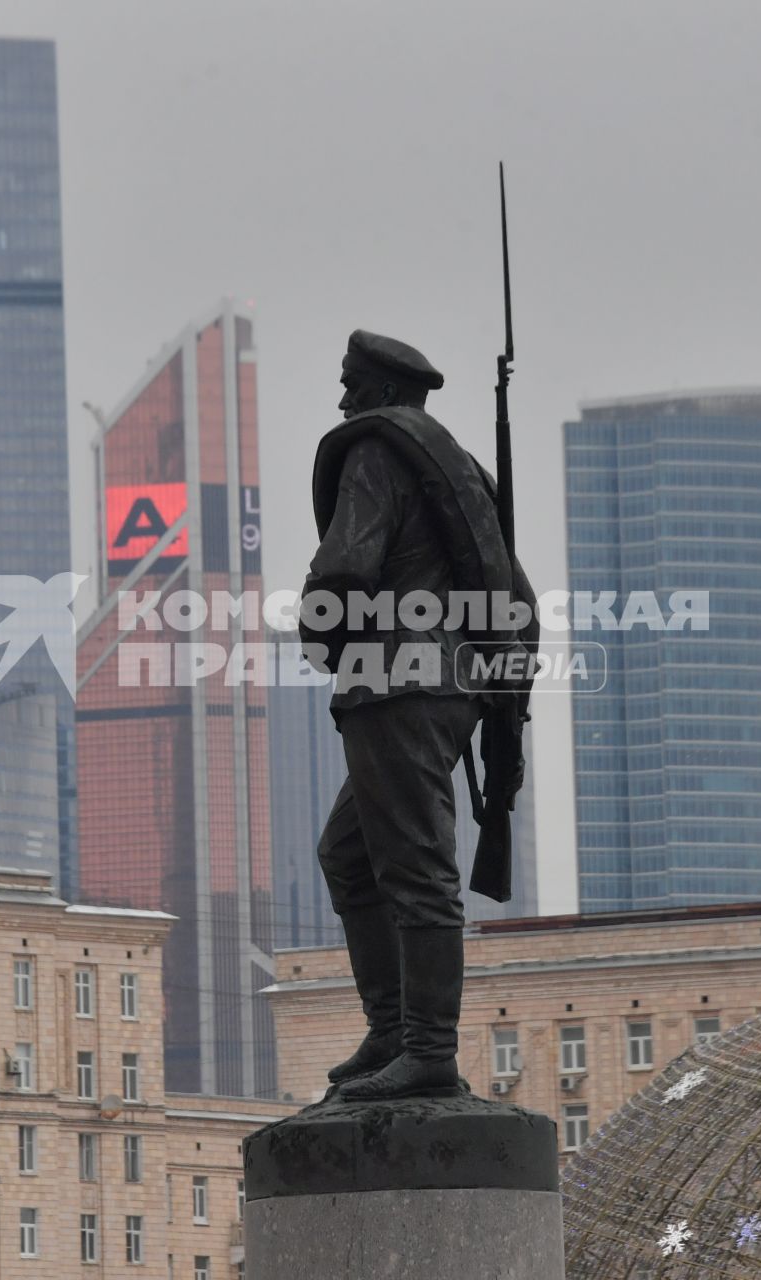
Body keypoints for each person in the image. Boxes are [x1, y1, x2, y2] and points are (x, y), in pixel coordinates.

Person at [301, 329, 532, 1101]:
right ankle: (395, 1029)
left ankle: (427, 1050)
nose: (342, 401)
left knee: (416, 872)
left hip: (395, 684)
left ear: (385, 394)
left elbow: (344, 566)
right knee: (350, 855)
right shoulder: (460, 471)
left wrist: (319, 632)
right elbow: (516, 596)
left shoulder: (378, 455)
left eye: (351, 385)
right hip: (446, 686)